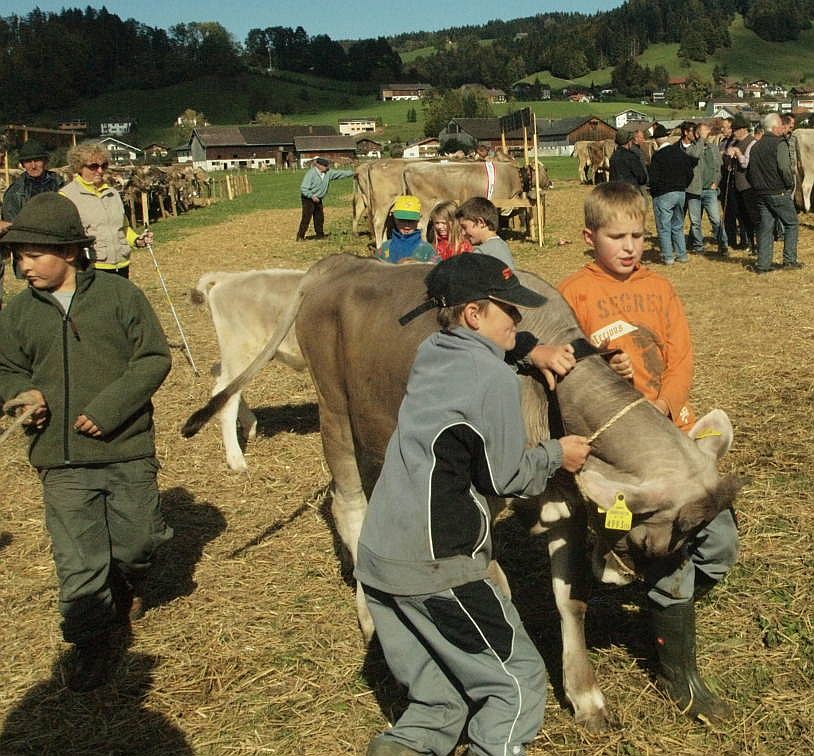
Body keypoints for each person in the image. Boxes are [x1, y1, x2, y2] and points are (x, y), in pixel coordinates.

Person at [356, 252, 591, 756]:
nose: (519, 319)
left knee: (438, 700)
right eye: (509, 309)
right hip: (436, 563)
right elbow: (508, 477)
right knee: (517, 682)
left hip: (378, 556)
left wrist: (531, 351)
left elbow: (489, 351)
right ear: (473, 313)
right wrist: (557, 454)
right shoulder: (493, 379)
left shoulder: (431, 350)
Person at [558, 182, 739, 726]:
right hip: (626, 457)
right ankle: (679, 674)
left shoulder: (659, 287)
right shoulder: (573, 293)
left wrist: (663, 403)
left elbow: (681, 357)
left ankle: (656, 603)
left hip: (672, 432)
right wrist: (599, 363)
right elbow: (568, 372)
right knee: (668, 548)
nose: (630, 246)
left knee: (720, 540)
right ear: (589, 237)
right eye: (617, 237)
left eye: (638, 236)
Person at [0, 193, 173, 693]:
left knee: (139, 542)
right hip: (60, 459)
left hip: (125, 449)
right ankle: (90, 641)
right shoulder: (17, 313)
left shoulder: (121, 297)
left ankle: (126, 580)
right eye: (19, 257)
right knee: (78, 559)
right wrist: (21, 394)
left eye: (34, 255)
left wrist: (108, 410)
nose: (24, 266)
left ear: (71, 252)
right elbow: (6, 368)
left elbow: (153, 358)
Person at [60, 142, 152, 278]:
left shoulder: (113, 193)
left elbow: (123, 228)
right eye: (93, 166)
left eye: (103, 166)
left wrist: (138, 240)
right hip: (91, 267)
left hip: (121, 265)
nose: (100, 171)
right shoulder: (67, 195)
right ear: (79, 167)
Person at [0, 139, 65, 306]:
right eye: (28, 161)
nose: (33, 165)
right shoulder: (15, 192)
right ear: (23, 164)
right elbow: (13, 227)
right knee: (39, 300)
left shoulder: (60, 184)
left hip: (60, 248)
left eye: (37, 160)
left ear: (45, 161)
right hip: (31, 250)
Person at [746, 112, 802, 273]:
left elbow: (750, 172)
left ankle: (763, 265)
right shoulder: (780, 144)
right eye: (780, 125)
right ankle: (789, 261)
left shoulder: (755, 146)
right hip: (778, 191)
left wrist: (757, 186)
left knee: (766, 228)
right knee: (791, 223)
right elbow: (785, 168)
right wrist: (790, 184)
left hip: (761, 193)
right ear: (775, 127)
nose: (783, 128)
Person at [648, 128, 698, 265]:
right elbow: (690, 172)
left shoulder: (658, 156)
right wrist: (683, 185)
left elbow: (653, 178)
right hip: (680, 193)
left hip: (663, 194)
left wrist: (654, 191)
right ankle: (682, 255)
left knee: (664, 227)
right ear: (667, 137)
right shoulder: (680, 152)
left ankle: (668, 257)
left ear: (656, 140)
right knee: (678, 225)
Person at [683, 122, 725, 255]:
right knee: (696, 222)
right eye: (704, 131)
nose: (707, 134)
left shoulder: (713, 148)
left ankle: (723, 245)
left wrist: (716, 182)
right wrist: (700, 139)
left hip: (710, 190)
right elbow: (695, 155)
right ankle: (698, 246)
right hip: (694, 191)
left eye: (708, 131)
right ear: (697, 133)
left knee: (716, 220)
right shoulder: (690, 149)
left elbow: (719, 167)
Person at [296, 156, 354, 241]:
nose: (327, 167)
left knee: (319, 217)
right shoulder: (311, 173)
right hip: (308, 198)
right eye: (325, 166)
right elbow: (304, 188)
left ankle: (320, 235)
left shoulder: (328, 173)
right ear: (319, 165)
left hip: (318, 198)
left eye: (327, 166)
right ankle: (300, 236)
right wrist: (312, 196)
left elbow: (340, 174)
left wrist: (353, 173)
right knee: (306, 218)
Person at [726, 113, 761, 252]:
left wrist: (737, 152)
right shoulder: (736, 143)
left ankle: (759, 245)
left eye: (735, 130)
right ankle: (750, 243)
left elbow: (746, 164)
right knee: (743, 216)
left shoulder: (752, 143)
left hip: (749, 186)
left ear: (743, 129)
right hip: (738, 186)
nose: (734, 133)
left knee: (753, 217)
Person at [455, 196, 516, 268]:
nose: (463, 233)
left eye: (464, 227)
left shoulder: (481, 254)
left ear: (481, 223)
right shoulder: (503, 246)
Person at [375, 195, 438, 264]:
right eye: (402, 220)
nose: (406, 226)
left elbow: (439, 267)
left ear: (419, 219)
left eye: (411, 221)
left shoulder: (427, 250)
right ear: (394, 218)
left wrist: (419, 264)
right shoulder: (384, 248)